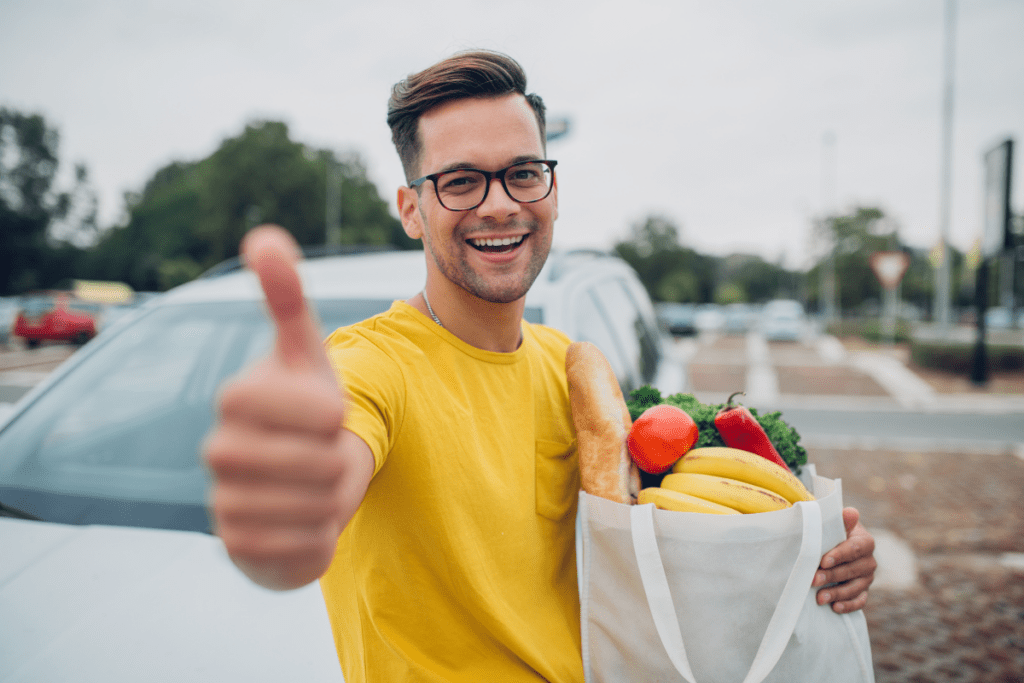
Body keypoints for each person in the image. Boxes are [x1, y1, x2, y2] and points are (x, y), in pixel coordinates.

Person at [204, 50, 877, 682]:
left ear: (552, 188)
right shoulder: (373, 367)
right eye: (461, 181)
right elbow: (301, 527)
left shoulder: (574, 370)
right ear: (411, 209)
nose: (500, 203)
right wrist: (275, 530)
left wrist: (807, 551)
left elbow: (662, 544)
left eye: (523, 172)